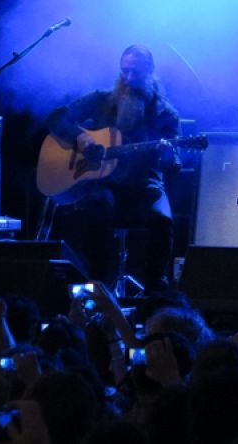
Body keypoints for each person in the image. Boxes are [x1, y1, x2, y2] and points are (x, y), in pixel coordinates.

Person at [47, 44, 181, 291]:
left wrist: (168, 155)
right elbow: (56, 117)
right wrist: (82, 139)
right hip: (102, 183)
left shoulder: (165, 114)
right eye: (124, 71)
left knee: (163, 220)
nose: (129, 79)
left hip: (144, 184)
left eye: (136, 73)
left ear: (150, 71)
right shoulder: (101, 100)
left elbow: (172, 166)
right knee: (96, 209)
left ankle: (154, 291)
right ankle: (99, 286)